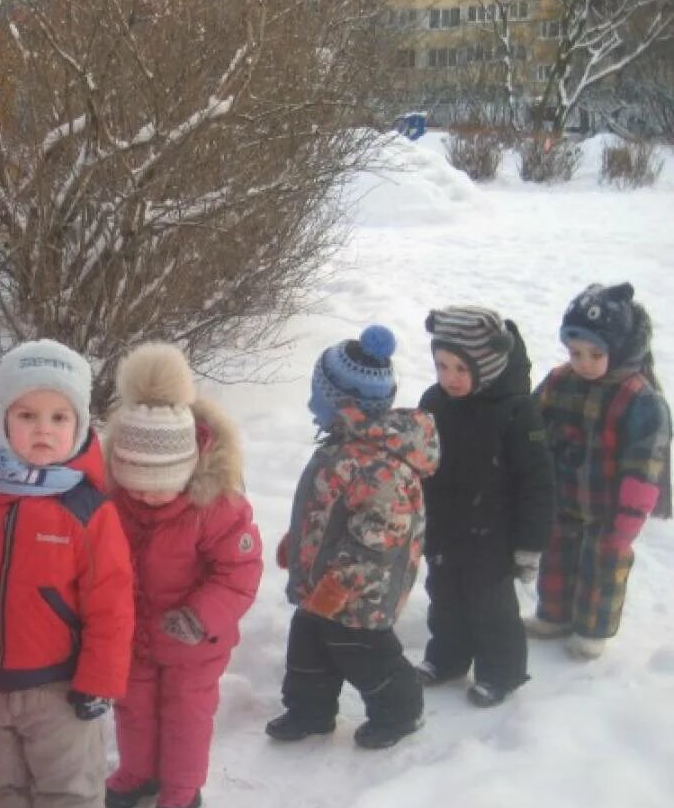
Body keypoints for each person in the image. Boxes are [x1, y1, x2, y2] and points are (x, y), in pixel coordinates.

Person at [0, 339, 135, 808]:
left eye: (58, 417)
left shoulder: (86, 509)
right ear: (2, 420)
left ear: (78, 425)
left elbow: (112, 604)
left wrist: (99, 680)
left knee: (63, 773)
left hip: (58, 678)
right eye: (27, 415)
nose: (42, 430)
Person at [100, 343, 263, 808]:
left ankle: (181, 787)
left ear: (190, 468)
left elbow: (239, 571)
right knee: (133, 708)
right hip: (133, 637)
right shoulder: (116, 505)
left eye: (162, 483)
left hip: (194, 641)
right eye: (136, 482)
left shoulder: (217, 508)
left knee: (186, 714)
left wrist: (199, 617)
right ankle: (137, 772)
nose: (149, 494)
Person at [266, 325, 438, 750]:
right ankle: (310, 712)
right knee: (307, 644)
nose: (311, 405)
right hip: (321, 582)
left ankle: (400, 712)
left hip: (362, 593)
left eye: (318, 398)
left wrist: (340, 584)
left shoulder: (381, 468)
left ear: (345, 407)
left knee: (362, 652)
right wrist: (301, 539)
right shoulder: (345, 447)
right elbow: (327, 507)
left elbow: (378, 540)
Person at [415, 307, 555, 706]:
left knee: (491, 609)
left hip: (493, 535)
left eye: (461, 368)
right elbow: (420, 460)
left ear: (489, 364)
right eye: (442, 365)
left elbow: (537, 482)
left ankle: (501, 672)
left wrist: (530, 543)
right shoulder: (434, 401)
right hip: (443, 526)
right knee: (444, 598)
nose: (450, 378)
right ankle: (447, 658)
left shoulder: (515, 411)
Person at [528, 283, 671, 658]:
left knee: (602, 568)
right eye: (575, 352)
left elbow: (645, 467)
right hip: (563, 499)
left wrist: (626, 523)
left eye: (595, 353)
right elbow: (532, 423)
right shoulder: (560, 382)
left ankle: (592, 631)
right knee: (557, 556)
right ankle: (554, 614)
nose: (583, 362)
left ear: (619, 349)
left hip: (609, 510)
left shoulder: (641, 400)